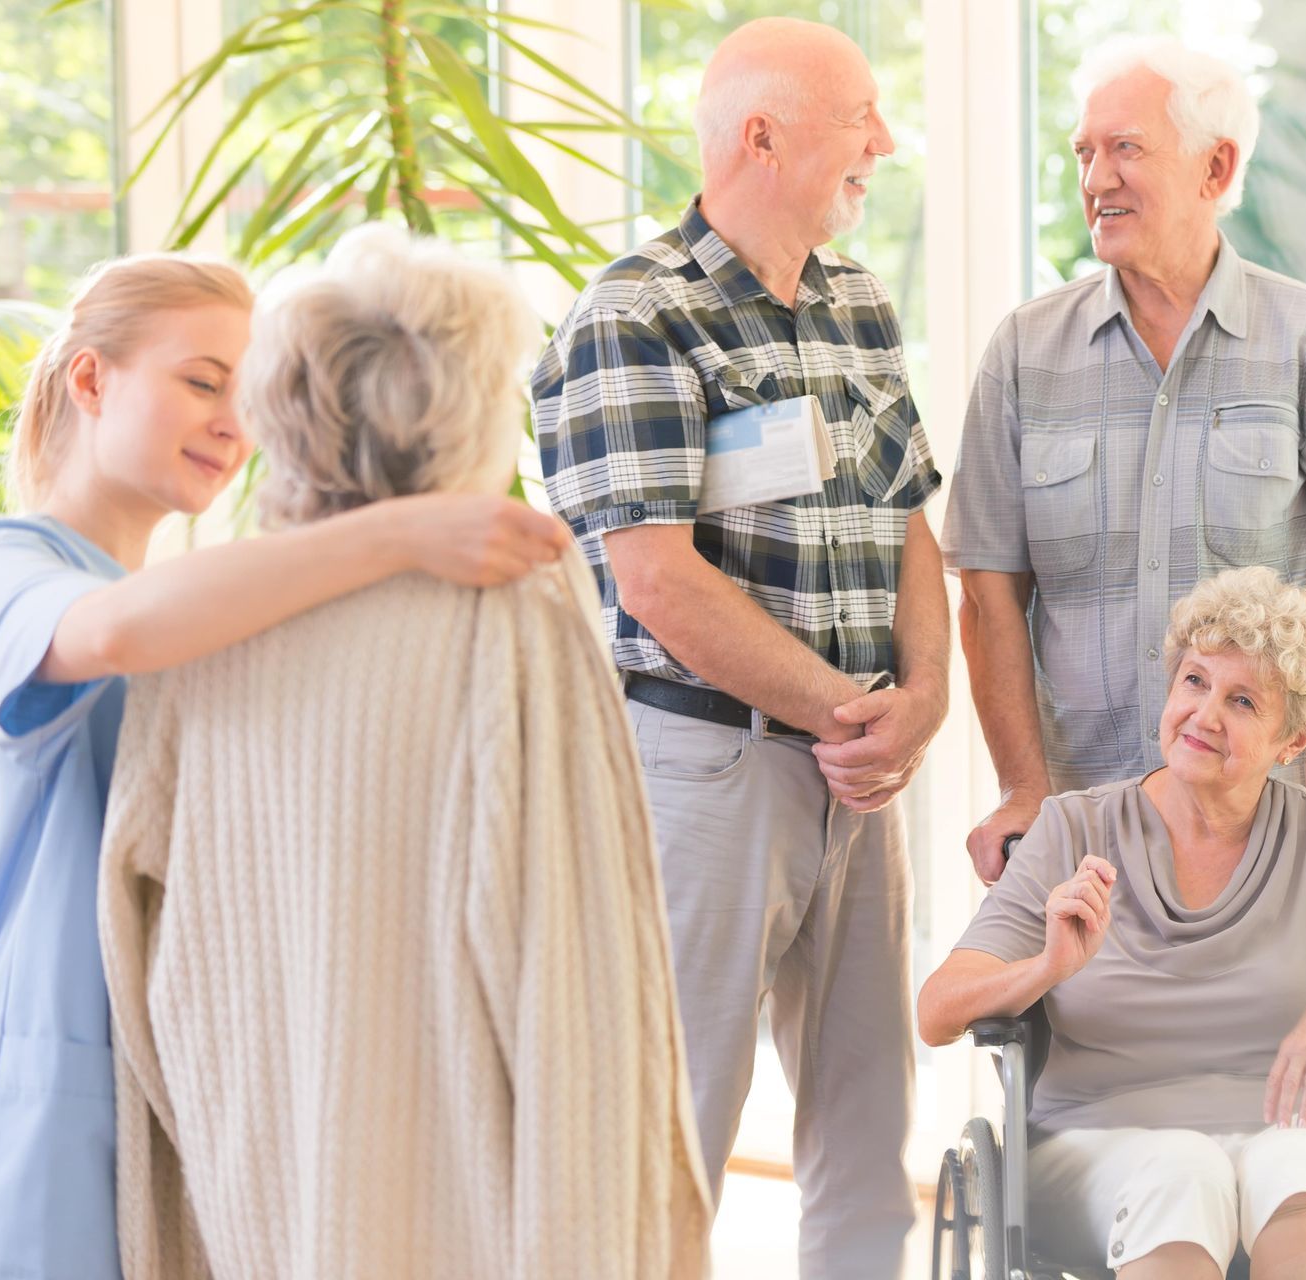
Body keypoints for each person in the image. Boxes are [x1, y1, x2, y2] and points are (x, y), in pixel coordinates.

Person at [96, 225, 709, 1280]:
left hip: (256, 1194)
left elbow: (134, 941)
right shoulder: (508, 615)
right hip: (463, 1206)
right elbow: (585, 982)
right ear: (474, 408)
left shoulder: (197, 625)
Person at [0, 252, 568, 1280]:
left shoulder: (196, 596)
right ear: (90, 379)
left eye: (248, 390)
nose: (234, 422)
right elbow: (105, 635)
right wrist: (402, 532)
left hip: (188, 1093)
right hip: (50, 1111)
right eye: (201, 381)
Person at [531, 17, 946, 1276]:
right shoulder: (636, 314)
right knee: (672, 1130)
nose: (882, 141)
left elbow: (910, 523)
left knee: (870, 1137)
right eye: (858, 118)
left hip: (858, 771)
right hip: (709, 775)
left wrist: (923, 700)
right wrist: (849, 713)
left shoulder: (855, 300)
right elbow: (657, 580)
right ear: (762, 136)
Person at [918, 567, 1306, 1280]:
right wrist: (1046, 969)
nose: (1203, 715)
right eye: (1194, 681)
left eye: (1243, 700)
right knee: (1181, 1170)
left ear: (1293, 742)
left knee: (1289, 1165)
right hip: (1101, 1147)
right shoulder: (1073, 827)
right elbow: (937, 1011)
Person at [942, 35, 1306, 884]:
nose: (1096, 179)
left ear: (1215, 169)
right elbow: (988, 596)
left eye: (1125, 149)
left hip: (1271, 828)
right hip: (1081, 829)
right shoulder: (1024, 353)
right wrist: (1023, 791)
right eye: (1085, 153)